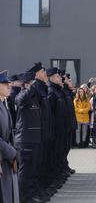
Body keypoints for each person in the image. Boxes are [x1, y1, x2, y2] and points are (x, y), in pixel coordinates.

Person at [15, 71, 49, 203]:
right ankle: (23, 198)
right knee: (25, 172)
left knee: (33, 170)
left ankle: (31, 195)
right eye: (31, 84)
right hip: (25, 141)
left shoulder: (34, 97)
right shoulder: (22, 94)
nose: (34, 86)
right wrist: (31, 86)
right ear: (27, 84)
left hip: (35, 140)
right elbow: (20, 100)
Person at [28, 62, 57, 198]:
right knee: (34, 166)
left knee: (41, 163)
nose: (45, 74)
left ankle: (40, 188)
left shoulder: (42, 89)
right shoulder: (36, 89)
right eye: (43, 71)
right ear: (37, 74)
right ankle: (33, 193)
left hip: (45, 133)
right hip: (36, 135)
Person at [47, 67, 68, 190]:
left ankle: (57, 176)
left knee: (59, 154)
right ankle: (53, 179)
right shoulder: (51, 91)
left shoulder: (58, 91)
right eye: (57, 76)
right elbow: (50, 114)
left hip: (61, 129)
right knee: (53, 156)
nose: (60, 78)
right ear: (51, 78)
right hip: (55, 131)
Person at [0, 70, 19, 203]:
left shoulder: (3, 103)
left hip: (7, 159)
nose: (9, 86)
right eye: (5, 83)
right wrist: (12, 152)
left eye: (9, 83)